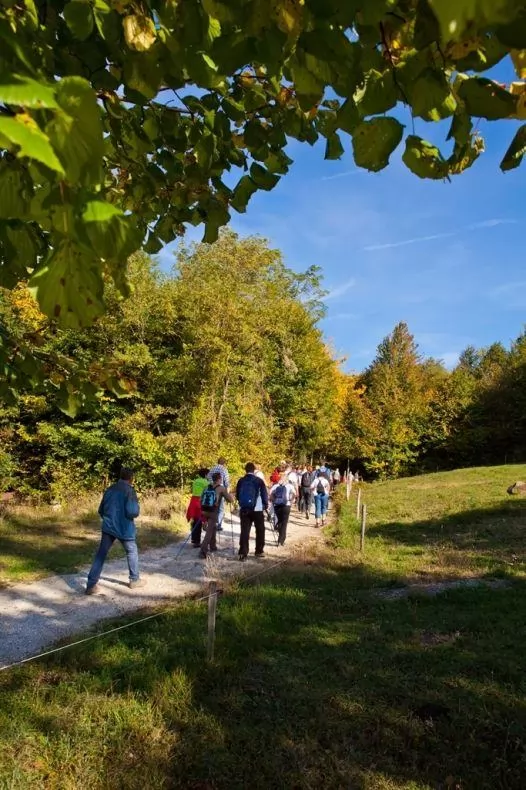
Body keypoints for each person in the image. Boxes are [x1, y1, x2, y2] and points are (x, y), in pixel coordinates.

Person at [86, 467, 144, 594]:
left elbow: (101, 510)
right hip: (124, 528)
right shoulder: (129, 491)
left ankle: (91, 585)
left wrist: (109, 519)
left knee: (101, 554)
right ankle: (134, 580)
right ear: (131, 478)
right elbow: (132, 512)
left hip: (109, 527)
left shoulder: (110, 489)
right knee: (132, 551)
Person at [236, 462, 269, 560]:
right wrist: (265, 505)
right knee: (260, 529)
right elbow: (264, 494)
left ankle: (243, 552)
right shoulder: (259, 481)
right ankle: (259, 551)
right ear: (254, 470)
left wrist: (241, 503)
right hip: (257, 508)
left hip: (244, 508)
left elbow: (238, 494)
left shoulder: (241, 481)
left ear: (245, 470)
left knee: (245, 530)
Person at [199, 472, 234, 558]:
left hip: (204, 510)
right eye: (221, 478)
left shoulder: (207, 487)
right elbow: (230, 500)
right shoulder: (221, 488)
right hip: (213, 512)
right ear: (219, 479)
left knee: (213, 527)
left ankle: (213, 546)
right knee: (209, 531)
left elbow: (200, 499)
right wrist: (232, 497)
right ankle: (203, 551)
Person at [269, 474, 296, 546]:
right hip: (286, 505)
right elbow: (294, 494)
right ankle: (281, 540)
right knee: (284, 523)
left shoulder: (275, 486)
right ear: (287, 479)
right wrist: (291, 500)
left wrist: (274, 501)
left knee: (280, 521)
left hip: (277, 505)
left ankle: (280, 539)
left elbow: (271, 494)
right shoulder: (290, 486)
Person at [186, 467, 209, 547]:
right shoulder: (206, 482)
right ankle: (197, 542)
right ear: (206, 474)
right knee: (200, 521)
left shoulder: (195, 481)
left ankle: (194, 539)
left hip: (193, 501)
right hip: (200, 501)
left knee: (194, 520)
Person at [207, 456, 230, 531]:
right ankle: (218, 524)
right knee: (221, 508)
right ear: (224, 463)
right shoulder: (224, 469)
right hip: (220, 489)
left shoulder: (213, 468)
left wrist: (212, 484)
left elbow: (208, 476)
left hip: (212, 488)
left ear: (218, 461)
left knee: (213, 506)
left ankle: (211, 523)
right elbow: (226, 481)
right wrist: (227, 492)